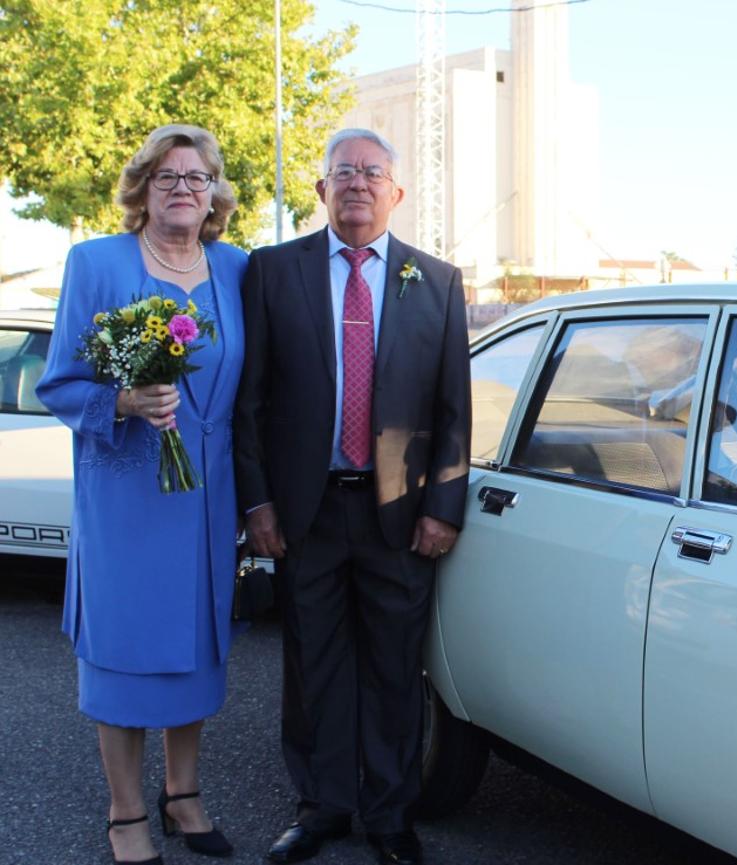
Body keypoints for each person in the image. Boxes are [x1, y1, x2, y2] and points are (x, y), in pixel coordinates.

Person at [234, 128, 471, 865]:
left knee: (396, 668)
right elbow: (252, 400)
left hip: (398, 516)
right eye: (343, 172)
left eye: (372, 172)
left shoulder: (436, 280)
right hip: (306, 511)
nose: (357, 183)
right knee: (314, 665)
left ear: (396, 192)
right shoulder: (272, 271)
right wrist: (258, 504)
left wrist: (443, 506)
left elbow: (452, 408)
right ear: (321, 189)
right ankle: (322, 804)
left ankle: (390, 813)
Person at [36, 124, 247, 865]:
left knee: (193, 645)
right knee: (127, 647)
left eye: (196, 177)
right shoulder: (95, 262)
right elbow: (57, 381)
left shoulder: (238, 267)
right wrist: (124, 402)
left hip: (206, 498)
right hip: (125, 495)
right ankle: (126, 809)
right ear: (142, 189)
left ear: (215, 192)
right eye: (166, 177)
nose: (183, 188)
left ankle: (183, 793)